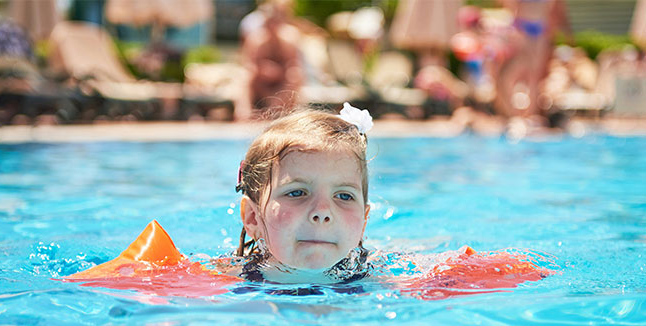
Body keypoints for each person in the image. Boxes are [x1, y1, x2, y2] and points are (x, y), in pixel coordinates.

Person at [66, 104, 552, 298]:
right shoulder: (218, 277)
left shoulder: (386, 273)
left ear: (363, 220)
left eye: (343, 197)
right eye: (297, 193)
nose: (322, 211)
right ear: (253, 217)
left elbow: (479, 273)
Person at [241, 0, 304, 115]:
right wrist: (264, 69)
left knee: (295, 75)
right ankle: (244, 112)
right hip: (261, 80)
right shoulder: (256, 39)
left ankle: (273, 108)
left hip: (282, 80)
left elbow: (294, 64)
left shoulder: (289, 38)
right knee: (246, 75)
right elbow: (249, 63)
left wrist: (279, 71)